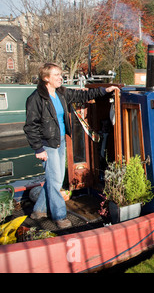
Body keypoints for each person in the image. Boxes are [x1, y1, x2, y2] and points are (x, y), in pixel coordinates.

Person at [23, 62, 120, 228]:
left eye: (61, 74)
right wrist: (38, 149)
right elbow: (30, 126)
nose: (61, 78)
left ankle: (38, 210)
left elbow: (81, 96)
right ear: (46, 78)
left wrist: (104, 90)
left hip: (59, 140)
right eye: (56, 75)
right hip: (48, 144)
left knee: (54, 178)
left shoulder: (61, 93)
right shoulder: (36, 99)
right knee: (55, 181)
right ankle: (60, 216)